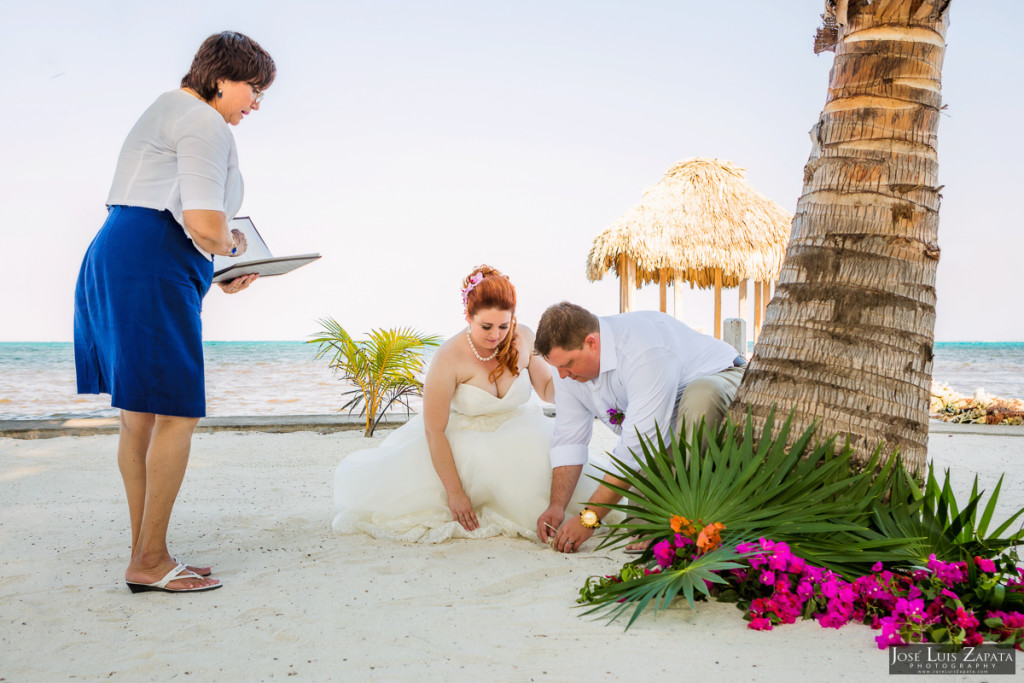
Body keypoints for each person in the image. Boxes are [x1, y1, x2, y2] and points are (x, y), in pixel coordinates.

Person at [73, 31, 275, 593]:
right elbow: (205, 226)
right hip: (150, 258)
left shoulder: (167, 109)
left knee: (140, 414)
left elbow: (167, 212)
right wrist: (236, 247)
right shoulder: (204, 119)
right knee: (176, 411)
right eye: (253, 89)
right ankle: (151, 558)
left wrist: (215, 270)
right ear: (222, 76)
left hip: (123, 250)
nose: (255, 103)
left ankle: (146, 552)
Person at [333, 267, 611, 542]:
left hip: (523, 431)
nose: (496, 336)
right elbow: (434, 431)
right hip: (465, 443)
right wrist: (455, 493)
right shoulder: (448, 357)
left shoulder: (523, 337)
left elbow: (550, 390)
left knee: (566, 484)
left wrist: (584, 377)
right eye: (486, 327)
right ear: (468, 316)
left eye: (504, 325)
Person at [533, 302, 746, 554]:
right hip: (659, 420)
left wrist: (587, 520)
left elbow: (635, 447)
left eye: (567, 364)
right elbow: (569, 439)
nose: (562, 375)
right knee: (639, 526)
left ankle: (691, 516)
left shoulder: (643, 349)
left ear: (591, 343)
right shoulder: (567, 372)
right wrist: (557, 505)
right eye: (555, 367)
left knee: (700, 395)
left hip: (721, 378)